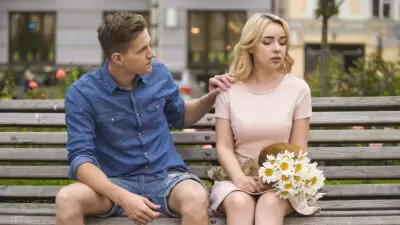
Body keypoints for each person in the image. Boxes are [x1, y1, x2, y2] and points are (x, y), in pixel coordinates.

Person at [55, 12, 234, 225]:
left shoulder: (159, 74)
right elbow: (80, 159)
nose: (152, 54)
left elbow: (181, 118)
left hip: (166, 177)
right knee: (67, 200)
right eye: (142, 50)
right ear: (118, 58)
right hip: (113, 182)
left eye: (150, 45)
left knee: (195, 197)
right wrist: (122, 196)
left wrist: (210, 98)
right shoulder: (82, 93)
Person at [209, 13, 318, 225]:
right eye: (267, 42)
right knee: (240, 203)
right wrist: (240, 179)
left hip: (283, 180)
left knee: (269, 204)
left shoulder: (298, 89)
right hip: (236, 177)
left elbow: (299, 148)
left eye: (282, 42)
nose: (277, 48)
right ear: (250, 46)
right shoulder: (228, 90)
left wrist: (273, 180)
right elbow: (223, 146)